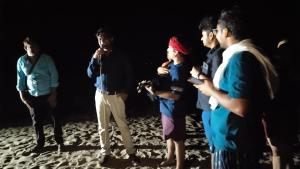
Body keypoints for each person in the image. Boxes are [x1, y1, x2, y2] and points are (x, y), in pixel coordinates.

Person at [194, 7, 278, 169]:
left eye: (217, 30)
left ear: (226, 32)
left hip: (234, 144)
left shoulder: (240, 59)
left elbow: (241, 106)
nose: (216, 35)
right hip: (233, 140)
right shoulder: (239, 56)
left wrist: (211, 90)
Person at [86, 26, 139, 165]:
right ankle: (105, 153)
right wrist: (94, 59)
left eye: (103, 37)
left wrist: (126, 92)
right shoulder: (98, 55)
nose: (101, 41)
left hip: (116, 95)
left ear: (111, 39)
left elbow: (129, 75)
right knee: (102, 126)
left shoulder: (120, 55)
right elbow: (90, 74)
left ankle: (131, 152)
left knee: (122, 125)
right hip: (100, 94)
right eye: (99, 38)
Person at [145, 36, 191, 169]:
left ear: (176, 51)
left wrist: (155, 92)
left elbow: (176, 96)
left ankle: (180, 165)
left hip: (174, 109)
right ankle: (170, 158)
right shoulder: (173, 64)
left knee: (178, 139)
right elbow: (166, 76)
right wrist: (159, 69)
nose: (167, 49)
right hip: (166, 107)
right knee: (169, 135)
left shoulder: (179, 70)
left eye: (169, 48)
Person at [16, 36, 64, 153]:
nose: (32, 48)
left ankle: (59, 142)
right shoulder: (21, 61)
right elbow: (20, 79)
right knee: (36, 121)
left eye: (34, 46)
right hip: (32, 95)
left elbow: (54, 75)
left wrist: (53, 94)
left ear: (38, 47)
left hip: (48, 94)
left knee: (55, 119)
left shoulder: (46, 59)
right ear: (25, 47)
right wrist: (22, 96)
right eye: (29, 46)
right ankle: (40, 144)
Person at [262, 38, 297, 169]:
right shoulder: (276, 69)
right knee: (279, 151)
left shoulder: (289, 72)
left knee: (284, 151)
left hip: (286, 114)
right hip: (275, 114)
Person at [190, 16, 223, 153]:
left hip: (212, 108)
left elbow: (215, 85)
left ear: (211, 35)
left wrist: (197, 75)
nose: (201, 38)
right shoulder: (211, 53)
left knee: (215, 149)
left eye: (203, 35)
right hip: (207, 107)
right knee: (213, 147)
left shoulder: (217, 56)